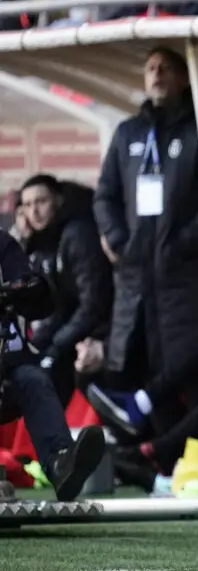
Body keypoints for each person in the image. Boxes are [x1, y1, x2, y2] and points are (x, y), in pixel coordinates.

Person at [90, 45, 198, 438]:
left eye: (166, 68)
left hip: (184, 277)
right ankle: (147, 453)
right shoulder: (128, 133)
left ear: (183, 78)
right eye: (151, 68)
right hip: (136, 277)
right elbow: (104, 196)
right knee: (135, 364)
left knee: (184, 371)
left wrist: (179, 247)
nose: (157, 75)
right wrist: (118, 240)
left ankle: (189, 451)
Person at [0, 230, 105, 501]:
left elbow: (38, 300)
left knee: (33, 379)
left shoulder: (3, 245)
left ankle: (61, 464)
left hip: (7, 367)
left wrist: (30, 289)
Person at [19, 174, 112, 407]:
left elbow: (93, 304)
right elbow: (54, 305)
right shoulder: (47, 241)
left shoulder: (77, 235)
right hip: (78, 330)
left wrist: (56, 347)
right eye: (27, 205)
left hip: (103, 332)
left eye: (41, 202)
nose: (34, 212)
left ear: (58, 201)